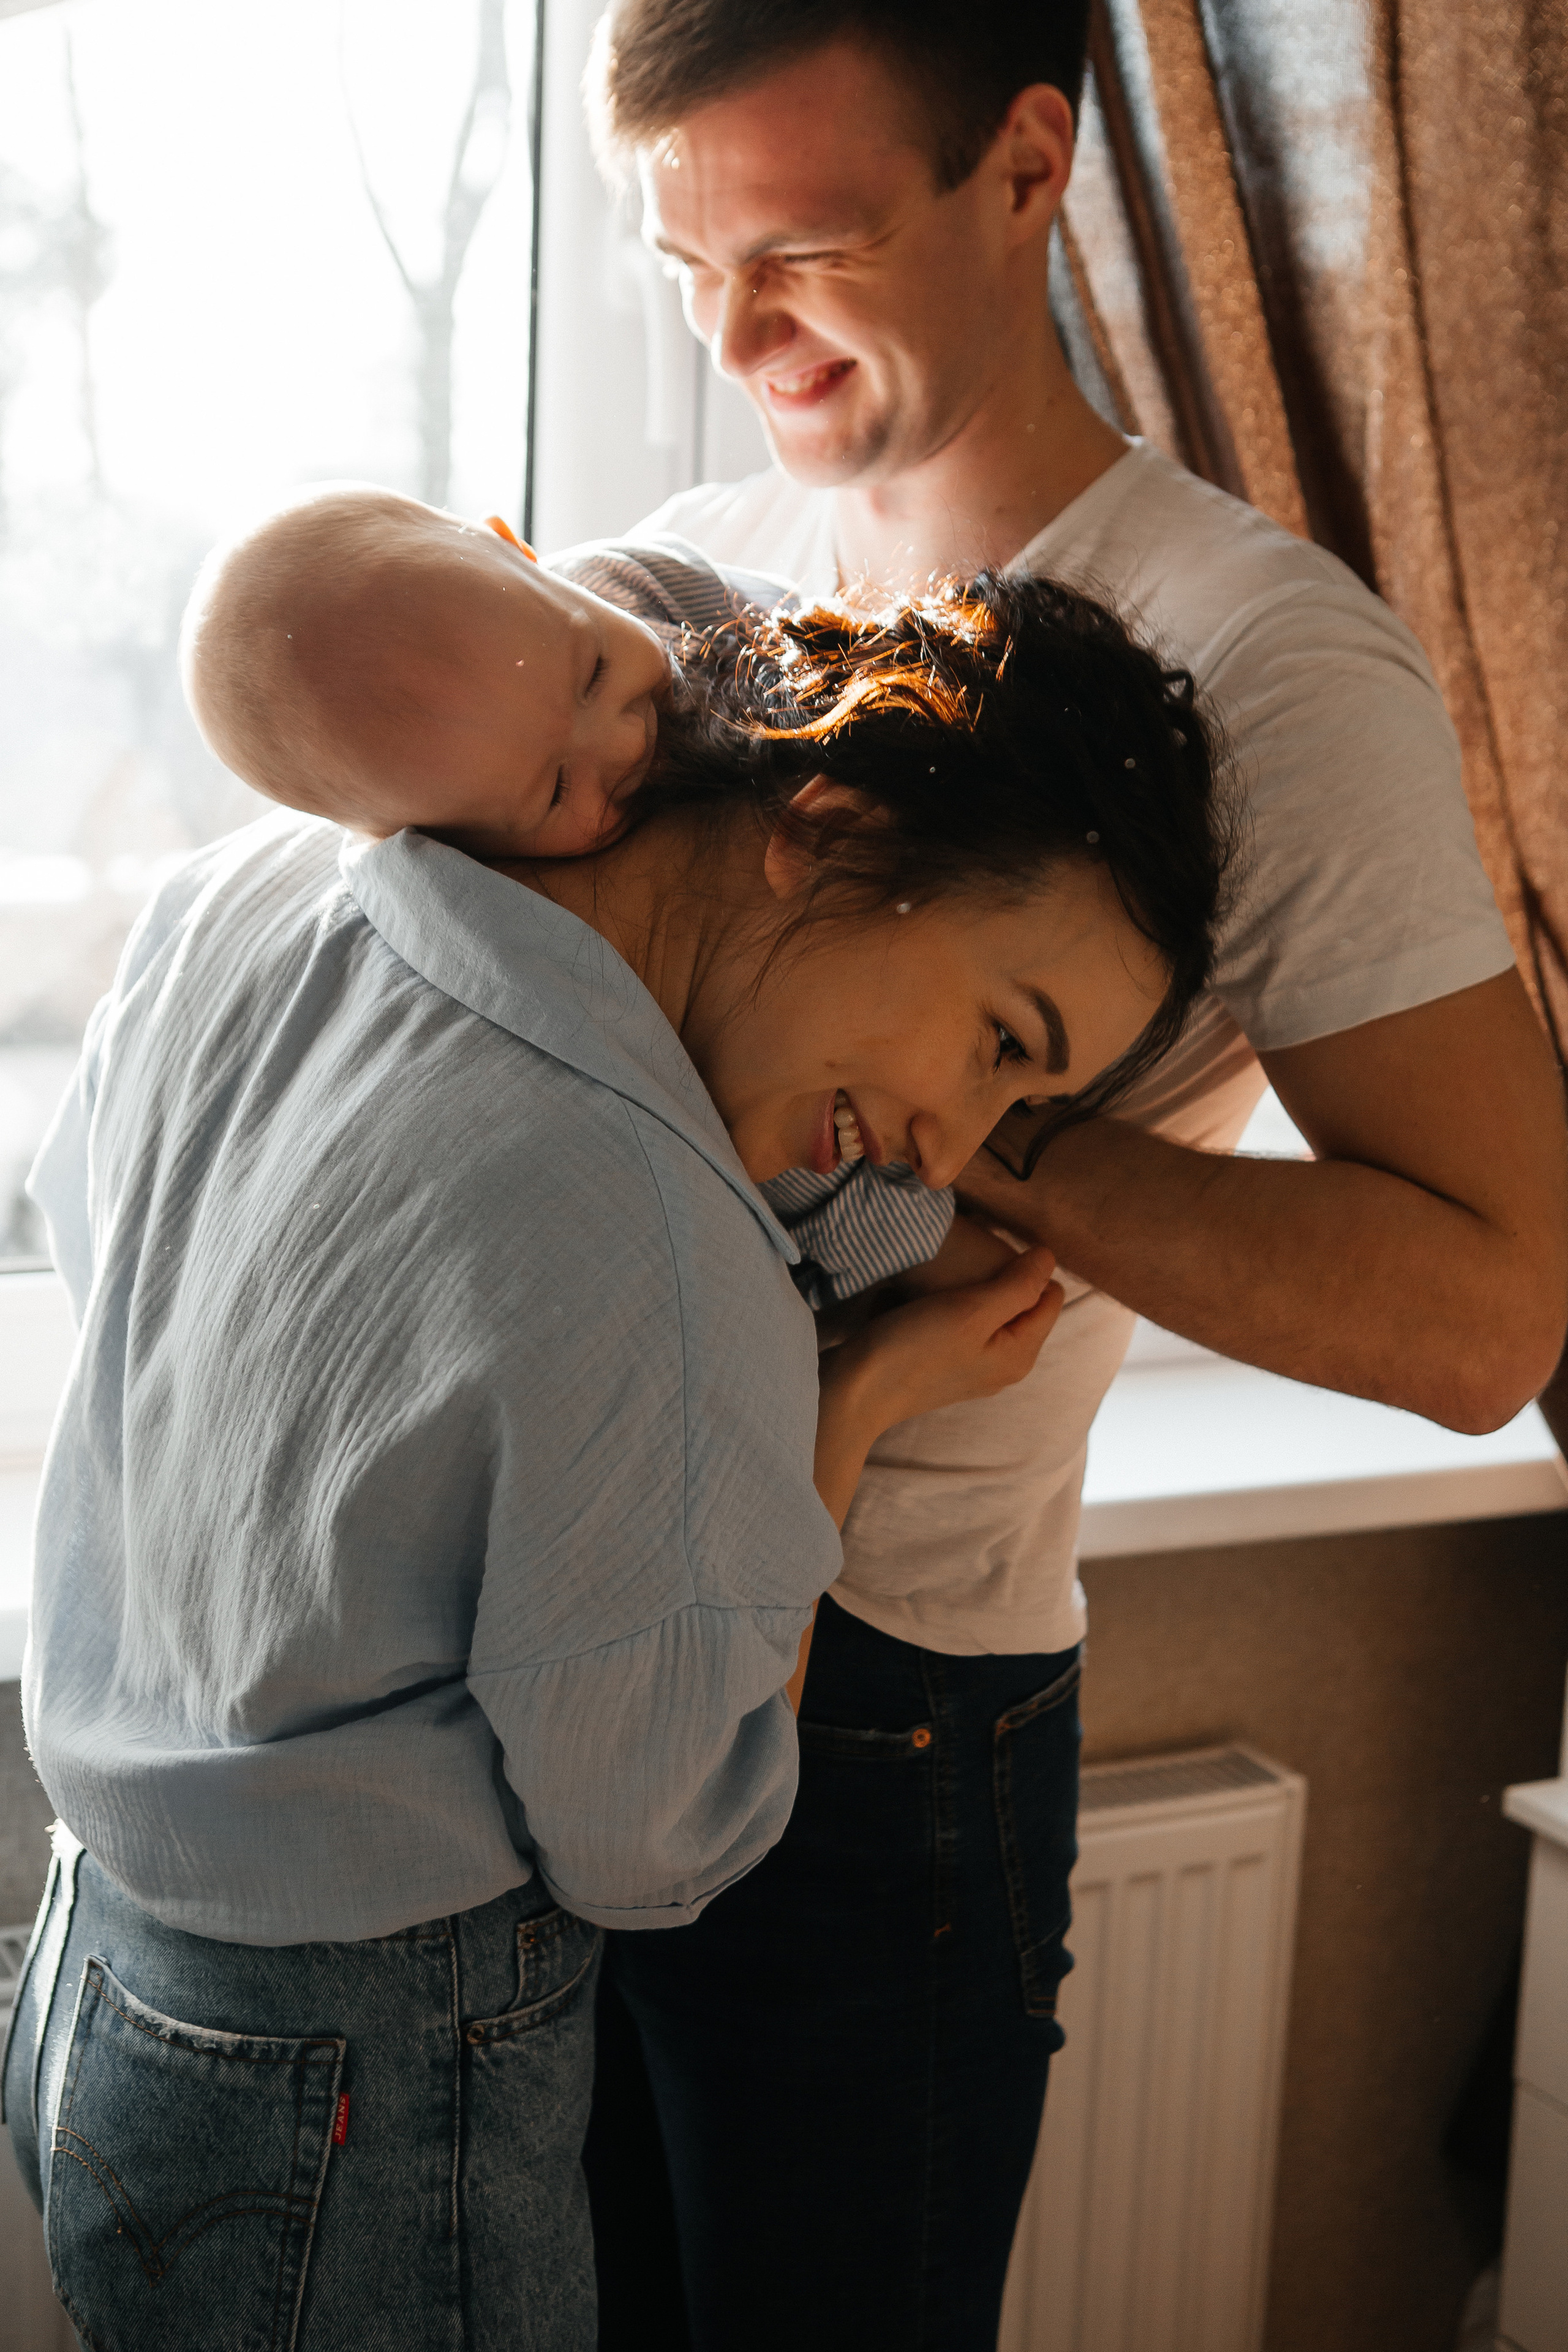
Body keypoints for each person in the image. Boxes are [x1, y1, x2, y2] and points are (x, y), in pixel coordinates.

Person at [575, 5, 1568, 2347]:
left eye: (805, 251)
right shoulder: (688, 584)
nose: (738, 340)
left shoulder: (1263, 665)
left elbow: (1486, 1315)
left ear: (1031, 165)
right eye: (683, 264)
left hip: (886, 1727)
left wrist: (954, 1102)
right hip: (572, 1648)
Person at [2, 481, 1235, 2348]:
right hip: (359, 2084)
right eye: (1000, 1036)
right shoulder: (666, 1250)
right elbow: (656, 1841)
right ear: (830, 830)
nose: (956, 1149)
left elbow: (101, 1233)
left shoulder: (273, 881)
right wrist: (866, 1392)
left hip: (95, 1974)